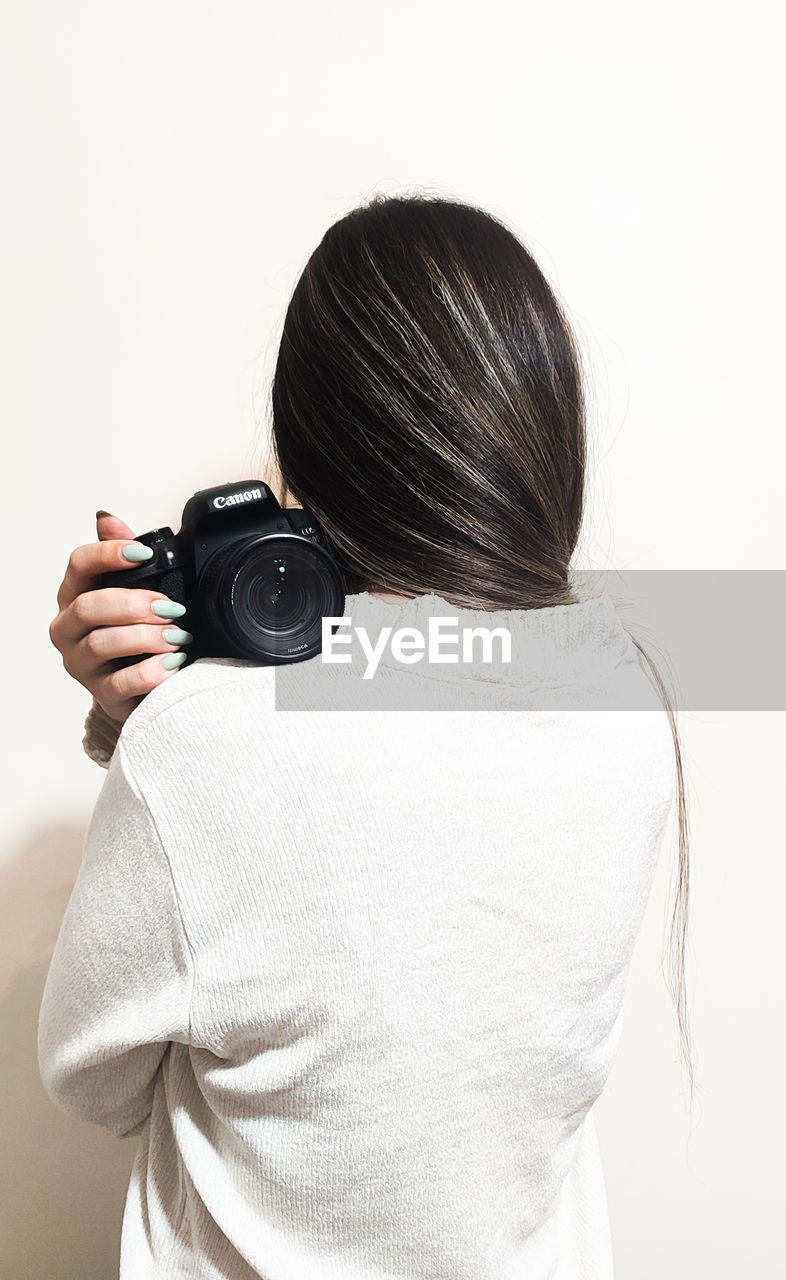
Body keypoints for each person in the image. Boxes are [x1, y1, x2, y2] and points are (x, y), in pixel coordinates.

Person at [40, 193, 692, 1279]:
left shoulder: (203, 740)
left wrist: (137, 727)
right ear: (543, 432)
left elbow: (91, 1080)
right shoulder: (627, 702)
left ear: (312, 443)